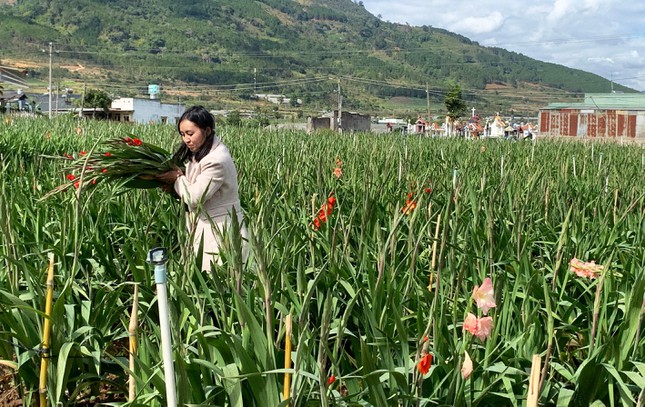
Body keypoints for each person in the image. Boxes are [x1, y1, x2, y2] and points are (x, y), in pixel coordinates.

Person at [156, 105, 248, 271]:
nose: (186, 139)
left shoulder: (216, 160)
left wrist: (177, 178)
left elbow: (194, 199)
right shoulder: (201, 154)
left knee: (220, 283)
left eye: (190, 134)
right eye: (183, 134)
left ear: (207, 130)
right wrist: (173, 188)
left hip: (220, 232)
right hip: (205, 229)